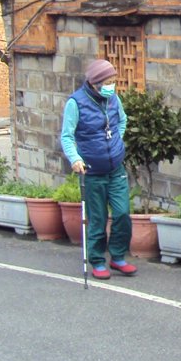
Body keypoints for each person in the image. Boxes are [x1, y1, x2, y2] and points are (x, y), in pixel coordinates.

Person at [61, 59, 135, 279]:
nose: (111, 86)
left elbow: (122, 121)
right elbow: (67, 136)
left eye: (113, 81)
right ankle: (97, 260)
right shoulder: (76, 103)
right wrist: (75, 158)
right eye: (108, 82)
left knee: (122, 213)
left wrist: (117, 142)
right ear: (95, 82)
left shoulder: (113, 99)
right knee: (98, 218)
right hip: (92, 171)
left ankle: (119, 257)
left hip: (115, 168)